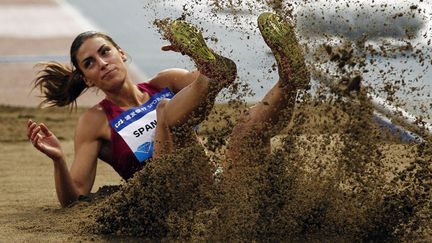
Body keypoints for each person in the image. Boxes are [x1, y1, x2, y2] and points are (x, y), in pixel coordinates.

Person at [27, 12, 309, 207]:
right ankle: (212, 74)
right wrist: (58, 159)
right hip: (172, 201)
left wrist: (201, 69)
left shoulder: (166, 80)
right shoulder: (96, 120)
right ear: (87, 78)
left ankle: (288, 79)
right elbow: (74, 197)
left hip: (212, 184)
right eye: (89, 63)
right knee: (165, 113)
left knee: (248, 126)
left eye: (105, 52)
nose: (101, 63)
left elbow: (205, 94)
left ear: (121, 53)